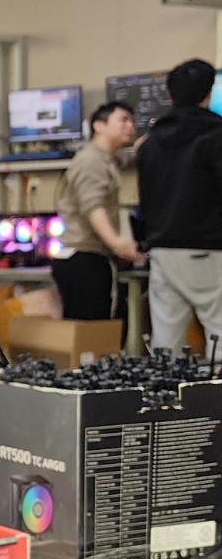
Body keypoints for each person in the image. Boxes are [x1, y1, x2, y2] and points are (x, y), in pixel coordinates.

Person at [136, 58, 222, 353]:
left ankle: (163, 385)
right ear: (208, 94)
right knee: (219, 332)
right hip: (209, 249)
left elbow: (145, 200)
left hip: (162, 250)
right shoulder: (216, 136)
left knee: (166, 342)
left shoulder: (150, 142)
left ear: (170, 94)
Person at [51, 100, 138, 319]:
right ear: (99, 126)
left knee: (93, 329)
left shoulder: (106, 158)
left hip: (83, 258)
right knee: (95, 330)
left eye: (132, 121)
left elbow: (124, 159)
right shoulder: (91, 161)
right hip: (85, 259)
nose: (131, 126)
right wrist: (116, 243)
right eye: (123, 120)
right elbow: (93, 206)